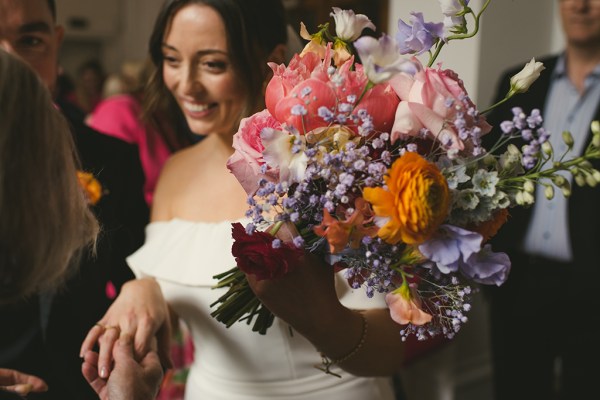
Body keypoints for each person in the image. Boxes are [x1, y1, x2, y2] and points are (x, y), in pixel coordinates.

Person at [81, 0, 405, 399]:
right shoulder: (174, 170)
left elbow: (395, 341)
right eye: (171, 60)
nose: (186, 84)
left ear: (272, 60)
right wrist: (143, 290)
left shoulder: (323, 169)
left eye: (213, 64)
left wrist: (325, 321)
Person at [0, 1, 150, 399]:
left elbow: (132, 265)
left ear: (57, 43)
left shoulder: (110, 157)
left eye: (30, 40)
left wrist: (143, 287)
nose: (10, 56)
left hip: (83, 384)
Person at [485, 0, 600, 399]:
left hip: (594, 290)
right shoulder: (518, 81)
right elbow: (491, 178)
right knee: (516, 388)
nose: (580, 5)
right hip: (520, 282)